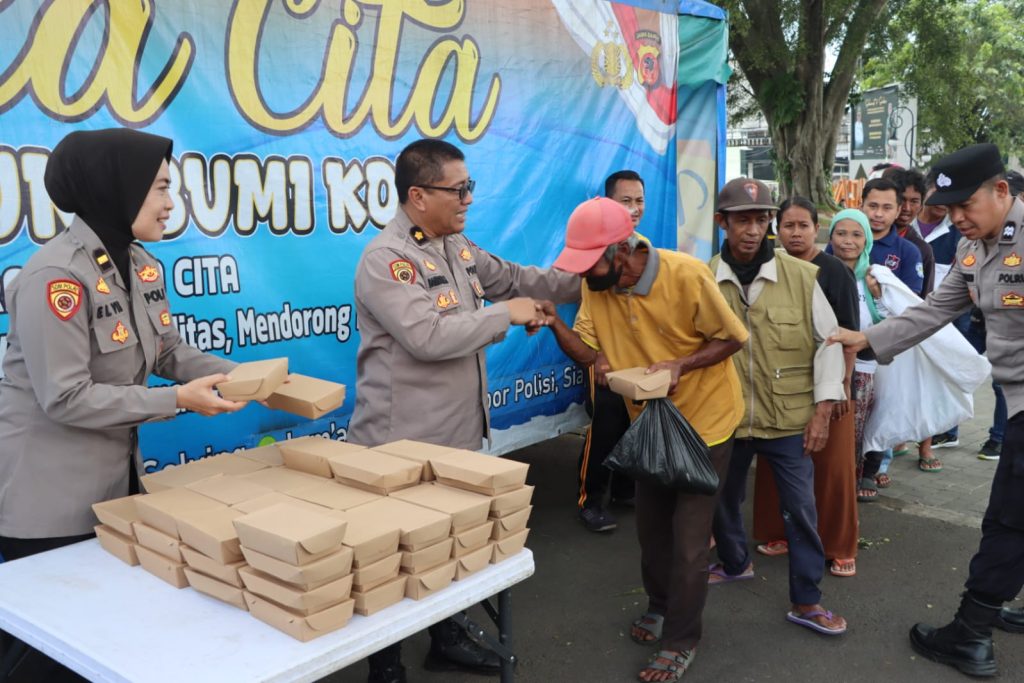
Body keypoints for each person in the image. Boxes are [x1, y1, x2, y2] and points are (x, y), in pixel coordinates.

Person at [0, 128, 246, 680]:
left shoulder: (138, 264)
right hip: (49, 501)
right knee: (52, 656)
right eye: (159, 188)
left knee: (106, 641)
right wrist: (176, 401)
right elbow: (65, 397)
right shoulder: (56, 277)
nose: (168, 203)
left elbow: (168, 351)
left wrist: (243, 376)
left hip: (115, 485)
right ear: (116, 189)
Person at [347, 138, 579, 683]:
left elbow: (521, 279)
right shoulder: (388, 260)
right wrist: (504, 315)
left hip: (456, 437)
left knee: (446, 547)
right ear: (418, 195)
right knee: (397, 557)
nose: (468, 198)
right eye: (459, 189)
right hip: (401, 444)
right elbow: (427, 336)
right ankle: (385, 666)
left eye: (469, 187)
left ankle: (445, 640)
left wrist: (592, 280)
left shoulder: (457, 247)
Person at [831, 143, 1024, 677]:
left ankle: (972, 633)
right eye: (950, 206)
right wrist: (864, 339)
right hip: (1018, 395)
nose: (956, 216)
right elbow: (934, 310)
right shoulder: (975, 246)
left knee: (1009, 519)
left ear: (1001, 191)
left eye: (966, 205)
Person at [539, 196, 748, 682]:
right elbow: (591, 357)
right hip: (648, 422)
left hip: (706, 424)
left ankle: (681, 640)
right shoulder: (599, 285)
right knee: (651, 530)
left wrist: (682, 363)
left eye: (592, 263)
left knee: (690, 542)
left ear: (624, 249)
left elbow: (735, 337)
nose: (586, 275)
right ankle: (659, 606)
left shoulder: (687, 275)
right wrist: (552, 323)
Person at [708, 178, 847, 636]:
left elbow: (828, 345)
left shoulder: (802, 276)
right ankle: (734, 562)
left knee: (799, 511)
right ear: (721, 222)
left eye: (761, 218)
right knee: (721, 498)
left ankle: (807, 601)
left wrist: (823, 410)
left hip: (788, 419)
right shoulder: (706, 279)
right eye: (743, 219)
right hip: (728, 417)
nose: (753, 229)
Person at [752, 197, 859, 577]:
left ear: (817, 229)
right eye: (788, 226)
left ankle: (839, 544)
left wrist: (842, 387)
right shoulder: (768, 268)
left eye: (803, 226)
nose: (795, 233)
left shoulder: (833, 271)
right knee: (775, 464)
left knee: (832, 470)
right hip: (778, 383)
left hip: (831, 382)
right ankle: (777, 531)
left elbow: (847, 335)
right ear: (776, 230)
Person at [575, 170, 643, 533]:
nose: (634, 209)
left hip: (636, 358)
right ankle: (590, 500)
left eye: (639, 201)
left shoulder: (643, 246)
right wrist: (600, 357)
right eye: (626, 201)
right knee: (605, 425)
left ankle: (624, 490)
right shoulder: (596, 251)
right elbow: (591, 317)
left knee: (635, 422)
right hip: (600, 354)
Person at [827, 210, 890, 501]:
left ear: (866, 239)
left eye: (856, 234)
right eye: (841, 233)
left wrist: (878, 296)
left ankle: (845, 492)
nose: (848, 241)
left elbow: (891, 322)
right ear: (830, 237)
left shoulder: (874, 277)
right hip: (822, 366)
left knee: (852, 432)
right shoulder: (818, 271)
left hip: (862, 369)